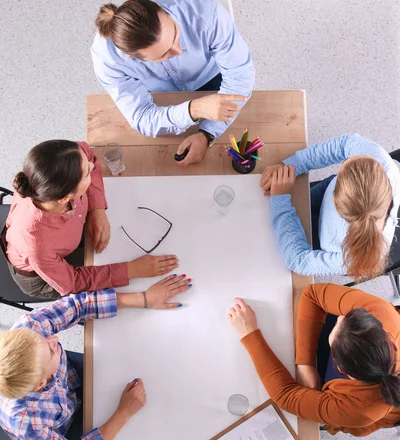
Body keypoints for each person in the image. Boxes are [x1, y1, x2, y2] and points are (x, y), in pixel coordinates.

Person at [0, 274, 191, 440]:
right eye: (50, 350)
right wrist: (123, 412)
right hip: (67, 424)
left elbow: (78, 306)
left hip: (69, 375)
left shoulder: (28, 331)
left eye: (43, 337)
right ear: (40, 384)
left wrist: (144, 298)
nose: (54, 339)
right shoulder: (29, 424)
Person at [5, 139, 178, 299]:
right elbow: (73, 284)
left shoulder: (66, 160)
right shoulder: (36, 244)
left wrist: (97, 209)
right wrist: (131, 269)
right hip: (43, 278)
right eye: (87, 173)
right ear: (65, 198)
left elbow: (87, 153)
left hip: (62, 243)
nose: (90, 166)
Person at [91, 0, 254, 166]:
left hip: (210, 76)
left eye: (175, 33)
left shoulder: (205, 10)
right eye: (164, 54)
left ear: (165, 12)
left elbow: (240, 76)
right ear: (133, 57)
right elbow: (142, 117)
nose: (179, 50)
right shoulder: (107, 59)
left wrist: (208, 132)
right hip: (159, 97)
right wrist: (194, 109)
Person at [228, 284, 400, 437]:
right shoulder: (382, 311)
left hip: (367, 407)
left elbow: (285, 396)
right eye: (346, 318)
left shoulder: (361, 410)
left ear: (341, 369)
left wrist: (250, 334)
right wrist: (305, 364)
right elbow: (312, 294)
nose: (340, 317)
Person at [260, 134, 400, 279]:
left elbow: (299, 261)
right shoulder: (377, 162)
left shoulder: (359, 254)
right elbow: (344, 145)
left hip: (319, 240)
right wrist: (290, 167)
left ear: (336, 199)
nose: (348, 156)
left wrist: (280, 198)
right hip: (324, 200)